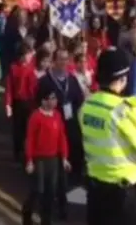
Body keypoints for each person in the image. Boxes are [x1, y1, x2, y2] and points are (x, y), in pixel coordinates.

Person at [78, 48, 136, 225]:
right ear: (122, 79)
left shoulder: (87, 105)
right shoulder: (124, 110)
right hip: (121, 194)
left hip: (95, 189)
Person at [37, 48, 84, 218]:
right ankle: (59, 204)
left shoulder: (72, 80)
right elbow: (38, 105)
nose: (64, 63)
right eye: (60, 59)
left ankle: (61, 196)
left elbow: (79, 100)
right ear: (54, 61)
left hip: (70, 127)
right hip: (52, 128)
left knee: (67, 166)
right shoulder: (45, 81)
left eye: (66, 59)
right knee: (57, 168)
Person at [21, 85, 70, 225]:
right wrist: (29, 160)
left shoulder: (57, 115)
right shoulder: (36, 117)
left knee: (50, 193)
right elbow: (30, 139)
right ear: (43, 101)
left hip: (53, 160)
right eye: (51, 98)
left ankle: (46, 221)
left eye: (55, 98)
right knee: (37, 191)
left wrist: (64, 158)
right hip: (39, 160)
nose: (54, 101)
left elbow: (62, 137)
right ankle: (27, 213)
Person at [4, 42, 36, 161]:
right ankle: (17, 151)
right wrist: (8, 104)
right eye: (28, 54)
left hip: (29, 103)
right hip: (18, 103)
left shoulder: (32, 69)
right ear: (22, 55)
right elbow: (9, 87)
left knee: (28, 129)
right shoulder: (14, 68)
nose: (30, 57)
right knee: (18, 129)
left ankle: (27, 152)